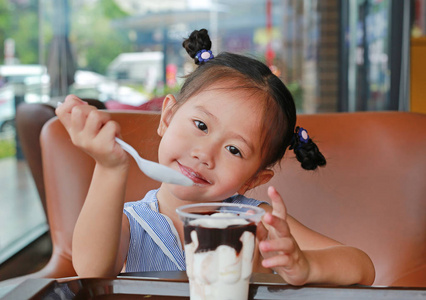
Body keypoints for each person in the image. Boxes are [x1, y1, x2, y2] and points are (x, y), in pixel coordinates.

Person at [56, 29, 375, 286]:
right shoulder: (130, 222)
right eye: (200, 125)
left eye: (234, 150)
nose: (204, 155)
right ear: (167, 116)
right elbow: (91, 273)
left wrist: (305, 266)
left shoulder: (255, 222)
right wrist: (110, 168)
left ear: (254, 179)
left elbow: (361, 267)